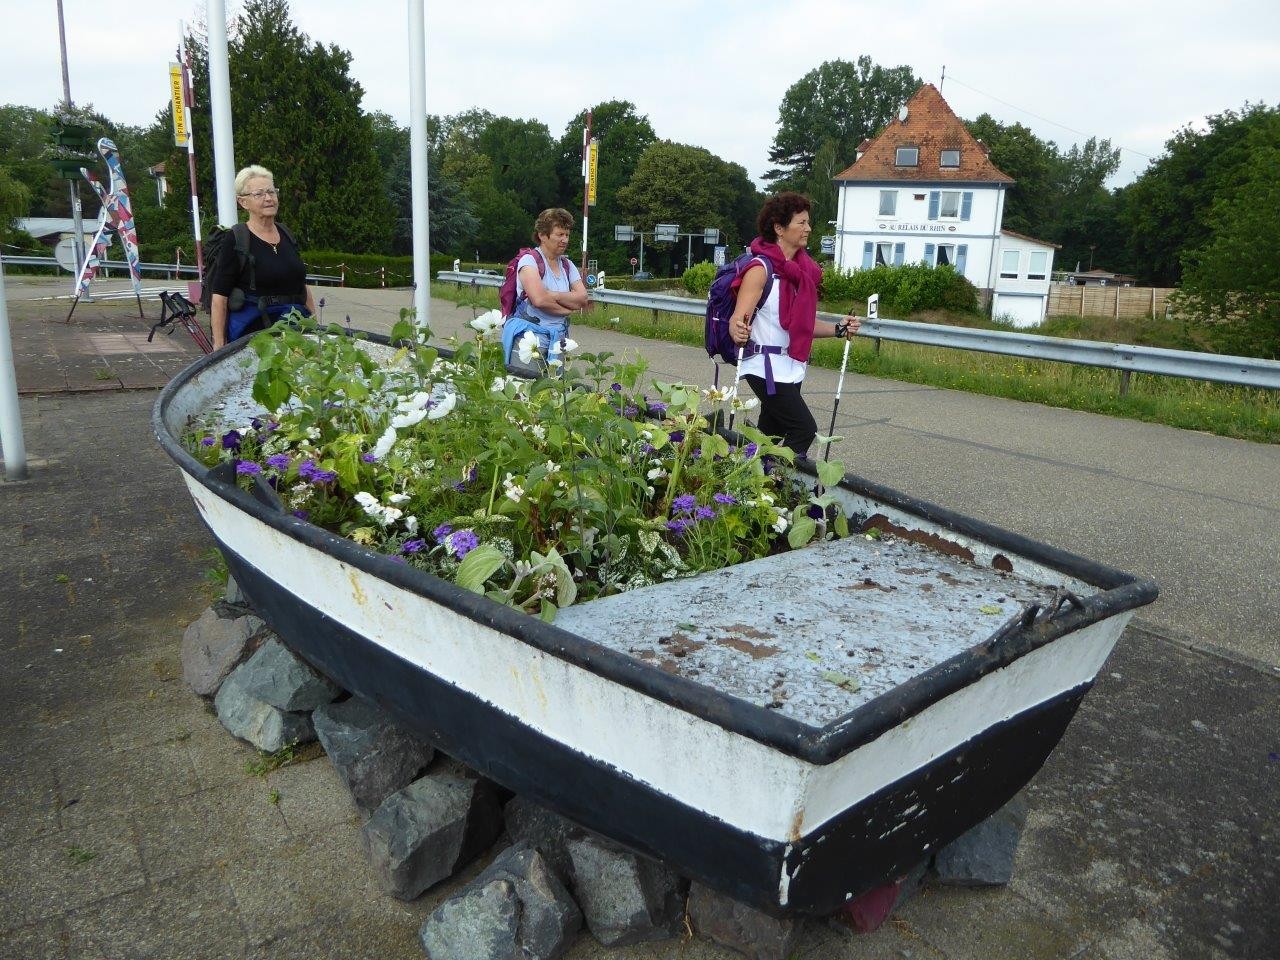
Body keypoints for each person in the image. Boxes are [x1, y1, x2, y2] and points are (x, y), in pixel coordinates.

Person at [729, 192, 861, 460]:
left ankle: (753, 487)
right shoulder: (760, 269)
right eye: (801, 223)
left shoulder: (802, 273)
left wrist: (838, 329)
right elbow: (737, 318)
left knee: (770, 437)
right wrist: (737, 329)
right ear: (779, 227)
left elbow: (802, 325)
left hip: (790, 367)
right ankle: (773, 482)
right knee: (803, 429)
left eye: (808, 222)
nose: (808, 228)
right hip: (764, 368)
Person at [210, 165, 315, 349]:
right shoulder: (236, 238)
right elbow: (220, 296)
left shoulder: (287, 234)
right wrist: (219, 345)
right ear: (243, 202)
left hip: (296, 333)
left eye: (271, 191)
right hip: (255, 339)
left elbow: (302, 286)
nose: (268, 198)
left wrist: (316, 328)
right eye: (259, 194)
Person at [501, 208, 589, 363]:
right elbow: (539, 300)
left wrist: (552, 295)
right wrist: (567, 309)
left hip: (559, 340)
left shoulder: (567, 265)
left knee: (555, 386)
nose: (565, 240)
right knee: (525, 385)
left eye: (567, 235)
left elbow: (582, 298)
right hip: (529, 341)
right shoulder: (529, 261)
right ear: (542, 235)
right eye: (560, 234)